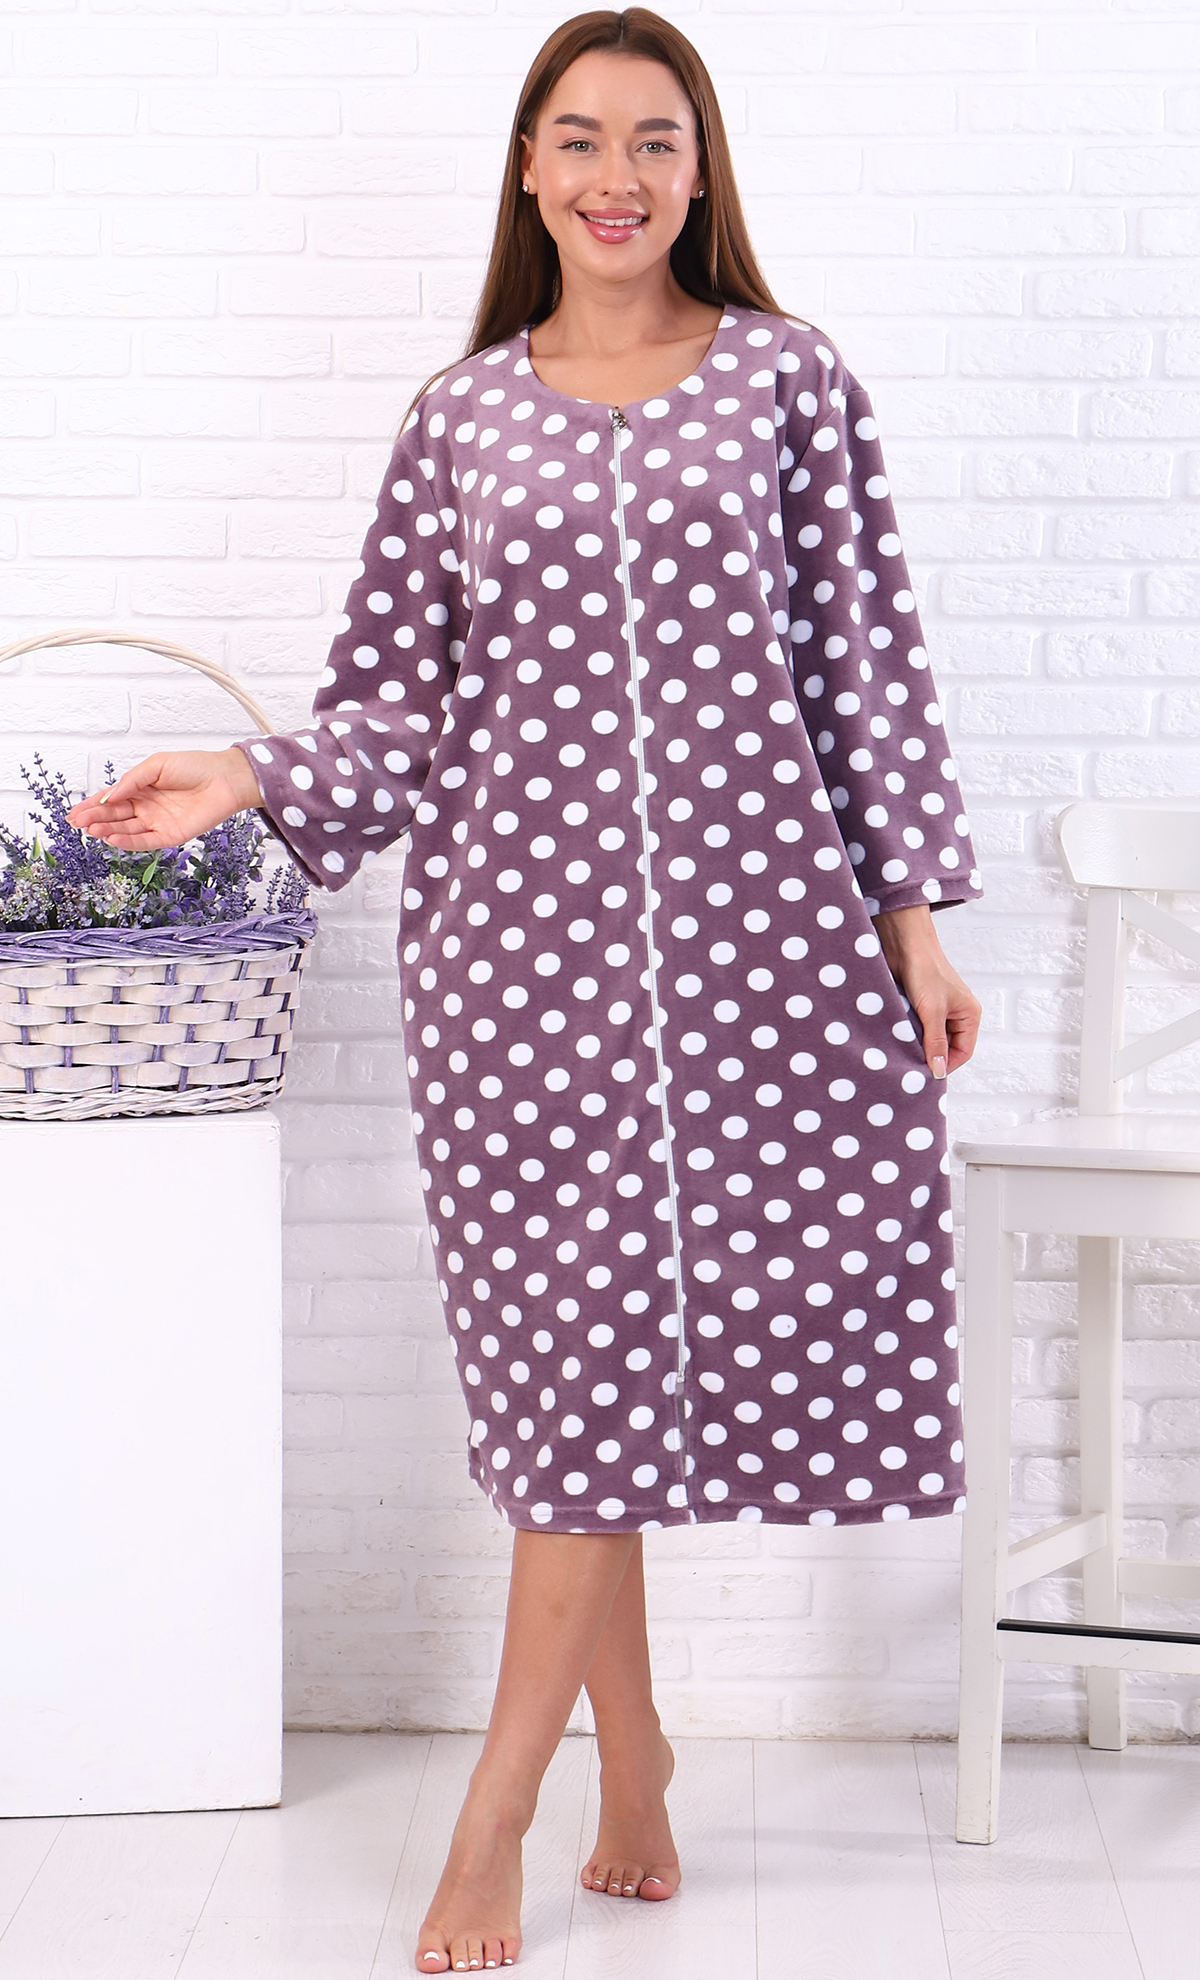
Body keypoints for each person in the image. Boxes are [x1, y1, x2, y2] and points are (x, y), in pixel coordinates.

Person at [70, 9, 983, 1970]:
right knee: (579, 1385)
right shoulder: (462, 417)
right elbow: (396, 702)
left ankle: (537, 1796)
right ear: (528, 169)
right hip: (523, 981)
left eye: (654, 141)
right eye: (580, 139)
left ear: (700, 170)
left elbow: (866, 658)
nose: (615, 176)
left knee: (616, 1383)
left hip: (762, 967)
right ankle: (604, 1769)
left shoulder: (792, 382)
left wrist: (914, 919)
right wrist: (248, 774)